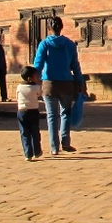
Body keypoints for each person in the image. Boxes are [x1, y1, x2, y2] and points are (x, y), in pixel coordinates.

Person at [33, 16, 86, 155]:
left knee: (52, 115)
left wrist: (33, 81)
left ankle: (54, 147)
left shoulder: (44, 44)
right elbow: (75, 65)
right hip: (67, 83)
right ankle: (65, 141)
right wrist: (80, 81)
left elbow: (38, 65)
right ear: (61, 27)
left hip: (49, 83)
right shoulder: (69, 44)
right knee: (65, 113)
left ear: (48, 28)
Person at [16, 65, 43, 161]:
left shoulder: (19, 87)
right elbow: (40, 93)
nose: (38, 78)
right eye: (36, 76)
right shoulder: (36, 87)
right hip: (33, 111)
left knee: (25, 133)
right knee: (35, 132)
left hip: (21, 111)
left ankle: (28, 154)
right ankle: (37, 151)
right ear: (30, 78)